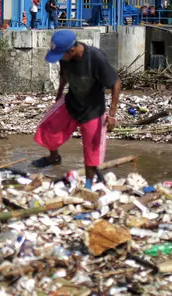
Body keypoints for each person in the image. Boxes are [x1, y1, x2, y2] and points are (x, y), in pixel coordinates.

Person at [33, 30, 122, 189]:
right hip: (71, 101)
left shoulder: (96, 58)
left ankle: (89, 184)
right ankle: (54, 157)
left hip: (93, 109)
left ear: (72, 50)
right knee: (47, 128)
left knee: (92, 151)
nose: (60, 58)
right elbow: (64, 76)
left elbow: (116, 83)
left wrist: (112, 114)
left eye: (61, 55)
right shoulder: (65, 58)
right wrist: (58, 96)